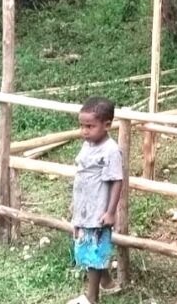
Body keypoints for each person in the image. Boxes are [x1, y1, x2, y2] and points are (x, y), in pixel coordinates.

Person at [67, 97, 124, 304]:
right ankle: (107, 283)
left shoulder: (110, 150)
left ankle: (92, 298)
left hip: (98, 211)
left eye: (90, 126)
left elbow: (117, 181)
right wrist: (76, 203)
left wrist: (110, 212)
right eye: (82, 126)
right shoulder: (87, 145)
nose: (84, 131)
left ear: (107, 125)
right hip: (85, 207)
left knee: (93, 251)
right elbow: (83, 174)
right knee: (89, 247)